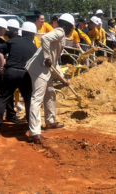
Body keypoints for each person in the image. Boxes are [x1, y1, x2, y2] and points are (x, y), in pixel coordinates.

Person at [25, 13, 75, 143]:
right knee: (37, 98)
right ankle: (34, 132)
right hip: (39, 69)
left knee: (51, 93)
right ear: (68, 26)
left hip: (45, 69)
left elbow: (55, 63)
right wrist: (47, 57)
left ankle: (50, 122)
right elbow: (45, 38)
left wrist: (62, 78)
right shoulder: (60, 31)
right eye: (72, 28)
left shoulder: (61, 36)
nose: (72, 30)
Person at [0, 22, 38, 134]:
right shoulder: (33, 47)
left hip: (11, 72)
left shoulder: (12, 41)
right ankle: (30, 123)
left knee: (2, 98)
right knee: (29, 99)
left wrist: (2, 66)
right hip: (25, 74)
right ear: (32, 35)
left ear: (22, 32)